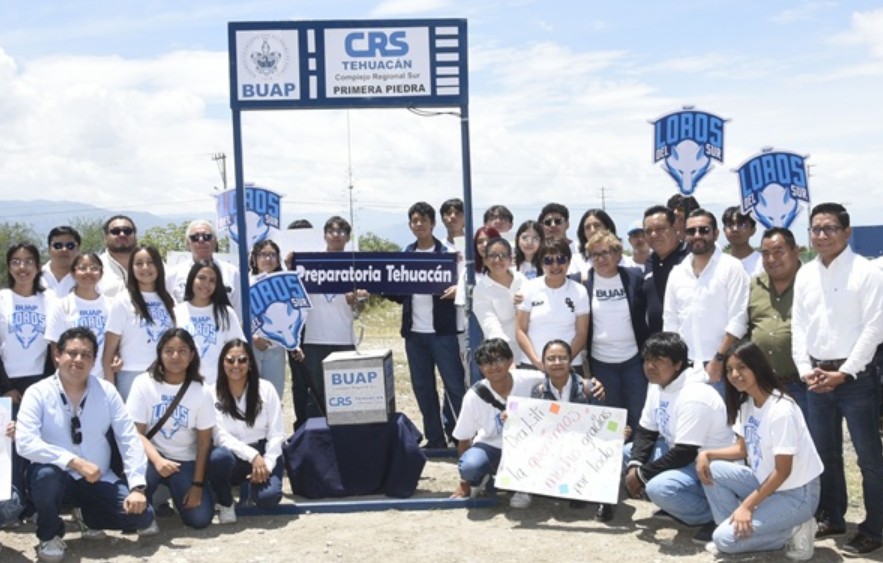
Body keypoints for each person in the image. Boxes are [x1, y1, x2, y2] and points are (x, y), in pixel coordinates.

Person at [16, 327, 156, 563]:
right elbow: (25, 442)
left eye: (86, 355)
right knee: (45, 476)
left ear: (93, 361)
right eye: (72, 353)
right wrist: (74, 462)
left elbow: (128, 438)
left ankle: (86, 516)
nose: (78, 359)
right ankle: (49, 533)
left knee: (143, 518)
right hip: (56, 477)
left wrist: (137, 488)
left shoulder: (107, 391)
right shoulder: (37, 392)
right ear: (57, 355)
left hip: (98, 478)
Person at [791, 202, 883, 557]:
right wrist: (803, 368)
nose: (821, 235)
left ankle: (875, 527)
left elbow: (875, 328)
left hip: (855, 377)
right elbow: (799, 325)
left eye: (829, 228)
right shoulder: (805, 274)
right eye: (815, 228)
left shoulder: (867, 272)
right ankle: (833, 516)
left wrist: (844, 373)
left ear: (847, 233)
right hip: (814, 376)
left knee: (869, 456)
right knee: (825, 452)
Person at [696, 340, 822, 559]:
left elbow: (783, 471)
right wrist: (706, 454)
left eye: (742, 367)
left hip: (796, 494)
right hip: (766, 483)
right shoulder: (747, 404)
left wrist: (747, 505)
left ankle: (794, 529)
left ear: (757, 367)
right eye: (729, 370)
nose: (734, 374)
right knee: (713, 470)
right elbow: (742, 449)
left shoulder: (781, 409)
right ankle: (737, 530)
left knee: (723, 540)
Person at [624, 332, 733, 544]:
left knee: (658, 488)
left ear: (677, 364)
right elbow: (646, 432)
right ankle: (677, 506)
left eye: (659, 361)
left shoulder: (694, 394)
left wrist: (641, 475)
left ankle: (718, 514)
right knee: (626, 454)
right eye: (647, 360)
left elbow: (685, 452)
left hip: (711, 464)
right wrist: (634, 467)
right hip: (683, 455)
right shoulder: (657, 384)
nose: (650, 366)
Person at [391, 202, 466, 449]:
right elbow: (397, 294)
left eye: (424, 220)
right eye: (415, 221)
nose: (419, 225)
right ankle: (435, 439)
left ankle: (461, 437)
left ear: (433, 223)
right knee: (423, 388)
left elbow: (461, 284)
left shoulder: (448, 253)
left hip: (443, 332)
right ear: (410, 225)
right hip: (415, 335)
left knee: (454, 385)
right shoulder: (406, 254)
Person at [126, 328, 215, 529]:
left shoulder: (201, 391)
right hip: (150, 457)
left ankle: (176, 494)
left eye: (183, 350)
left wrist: (197, 486)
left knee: (200, 520)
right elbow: (135, 433)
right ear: (160, 353)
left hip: (185, 461)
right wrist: (158, 461)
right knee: (129, 517)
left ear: (192, 355)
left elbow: (203, 443)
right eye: (169, 350)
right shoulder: (143, 383)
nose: (175, 356)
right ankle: (145, 505)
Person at [663, 209, 749, 392]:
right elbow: (670, 321)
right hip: (685, 371)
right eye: (691, 231)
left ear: (716, 233)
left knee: (725, 421)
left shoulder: (732, 267)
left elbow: (738, 320)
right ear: (684, 234)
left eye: (704, 230)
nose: (697, 235)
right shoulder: (677, 273)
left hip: (723, 368)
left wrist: (718, 359)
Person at [292, 216, 367, 421]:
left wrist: (357, 300)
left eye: (342, 232)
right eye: (332, 231)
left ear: (348, 237)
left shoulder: (355, 265)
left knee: (344, 394)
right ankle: (316, 439)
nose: (336, 235)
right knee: (316, 394)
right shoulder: (310, 262)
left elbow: (359, 308)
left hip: (343, 339)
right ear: (324, 235)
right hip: (314, 339)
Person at [449, 338, 543, 499]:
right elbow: (463, 439)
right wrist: (464, 481)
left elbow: (561, 381)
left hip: (526, 446)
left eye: (499, 359)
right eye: (487, 362)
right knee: (471, 466)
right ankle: (480, 478)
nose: (493, 366)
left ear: (510, 360)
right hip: (490, 446)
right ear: (480, 368)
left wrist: (589, 384)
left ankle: (522, 487)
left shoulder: (531, 379)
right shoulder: (473, 396)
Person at [526, 339, 610, 518]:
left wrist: (617, 430)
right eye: (551, 358)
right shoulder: (538, 392)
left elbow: (602, 424)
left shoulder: (590, 388)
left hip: (584, 445)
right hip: (554, 446)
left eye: (562, 358)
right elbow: (536, 425)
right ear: (544, 363)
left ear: (570, 361)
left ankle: (603, 497)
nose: (557, 363)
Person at [208, 340, 285, 523]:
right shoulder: (211, 393)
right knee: (218, 458)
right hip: (234, 456)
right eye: (230, 360)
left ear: (250, 364)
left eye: (242, 360)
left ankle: (255, 487)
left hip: (264, 453)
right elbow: (220, 436)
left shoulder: (266, 389)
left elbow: (277, 434)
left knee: (268, 500)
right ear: (222, 363)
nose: (236, 365)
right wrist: (252, 457)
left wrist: (266, 464)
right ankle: (226, 502)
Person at [583, 231, 649, 433]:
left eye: (605, 252)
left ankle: (637, 461)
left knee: (639, 416)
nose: (600, 259)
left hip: (633, 360)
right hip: (601, 364)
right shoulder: (582, 282)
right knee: (611, 421)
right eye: (594, 254)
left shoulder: (635, 277)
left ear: (618, 254)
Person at [103, 245, 176, 401]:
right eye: (139, 263)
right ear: (132, 268)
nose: (145, 267)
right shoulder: (123, 300)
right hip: (131, 374)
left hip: (166, 372)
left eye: (150, 262)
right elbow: (108, 352)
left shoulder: (170, 301)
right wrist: (111, 393)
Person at [747, 227, 807, 416]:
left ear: (795, 251)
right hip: (763, 385)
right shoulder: (754, 285)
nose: (771, 259)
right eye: (765, 254)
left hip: (804, 385)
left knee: (812, 442)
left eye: (778, 252)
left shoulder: (812, 281)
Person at [515, 239, 589, 370]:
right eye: (549, 260)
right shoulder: (528, 288)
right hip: (532, 364)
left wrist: (563, 362)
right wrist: (537, 362)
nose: (555, 265)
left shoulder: (580, 291)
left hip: (570, 365)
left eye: (561, 259)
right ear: (541, 263)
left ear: (568, 262)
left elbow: (582, 333)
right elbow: (520, 330)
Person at [174, 260, 245, 386]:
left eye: (212, 280)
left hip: (219, 386)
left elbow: (239, 349)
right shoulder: (177, 312)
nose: (206, 284)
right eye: (201, 278)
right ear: (191, 279)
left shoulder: (226, 313)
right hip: (185, 386)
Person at [45, 253, 112, 379]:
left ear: (101, 273)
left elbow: (114, 343)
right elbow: (55, 347)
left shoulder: (110, 305)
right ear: (73, 272)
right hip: (70, 379)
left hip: (102, 378)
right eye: (82, 268)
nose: (88, 272)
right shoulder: (62, 305)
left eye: (94, 268)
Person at [0, 243, 51, 403]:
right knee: (6, 428)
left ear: (38, 267)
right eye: (16, 262)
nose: (22, 267)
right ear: (8, 267)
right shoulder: (2, 299)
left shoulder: (50, 300)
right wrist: (5, 387)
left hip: (42, 382)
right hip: (6, 383)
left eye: (28, 261)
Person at [166, 220, 242, 318]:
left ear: (215, 242)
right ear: (187, 244)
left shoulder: (232, 273)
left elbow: (239, 313)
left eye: (207, 236)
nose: (201, 240)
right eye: (195, 237)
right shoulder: (172, 275)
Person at [248, 240, 287, 399]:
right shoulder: (244, 281)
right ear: (254, 258)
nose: (268, 259)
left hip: (276, 348)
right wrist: (253, 337)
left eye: (272, 255)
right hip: (251, 348)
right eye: (263, 254)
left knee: (274, 396)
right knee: (251, 395)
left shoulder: (285, 282)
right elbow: (237, 314)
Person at [642, 205, 689, 333]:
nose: (653, 234)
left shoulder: (691, 258)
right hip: (657, 344)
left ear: (675, 228)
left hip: (688, 343)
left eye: (660, 229)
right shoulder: (650, 261)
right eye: (648, 231)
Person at [472, 237, 526, 347]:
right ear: (485, 260)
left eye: (504, 255)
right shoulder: (480, 290)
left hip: (529, 348)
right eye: (492, 255)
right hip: (502, 350)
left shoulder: (522, 280)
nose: (498, 260)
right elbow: (489, 324)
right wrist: (503, 348)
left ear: (511, 260)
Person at [98, 215, 138, 298]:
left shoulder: (152, 266)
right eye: (115, 231)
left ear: (135, 236)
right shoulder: (94, 267)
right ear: (105, 238)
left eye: (127, 231)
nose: (122, 234)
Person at [573, 208, 619, 277]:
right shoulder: (575, 262)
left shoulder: (625, 261)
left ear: (608, 228)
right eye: (587, 227)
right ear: (583, 233)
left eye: (597, 225)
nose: (592, 231)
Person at [721, 206, 763, 277]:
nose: (735, 229)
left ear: (753, 230)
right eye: (730, 224)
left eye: (742, 225)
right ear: (724, 230)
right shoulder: (719, 264)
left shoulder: (763, 262)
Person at [41, 226, 81, 296]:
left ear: (78, 249)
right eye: (58, 246)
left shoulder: (86, 278)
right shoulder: (36, 276)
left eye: (70, 246)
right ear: (49, 249)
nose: (64, 249)